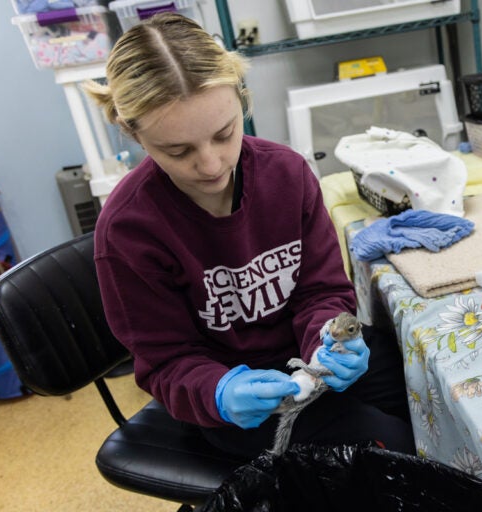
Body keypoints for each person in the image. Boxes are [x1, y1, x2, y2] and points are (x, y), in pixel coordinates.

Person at [85, 12, 414, 458]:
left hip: (308, 354)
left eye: (225, 134)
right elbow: (165, 362)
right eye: (177, 151)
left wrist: (328, 337)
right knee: (389, 451)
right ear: (133, 133)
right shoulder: (129, 231)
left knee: (427, 394)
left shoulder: (287, 175)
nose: (212, 165)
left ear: (241, 100)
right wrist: (218, 390)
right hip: (235, 398)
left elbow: (321, 290)